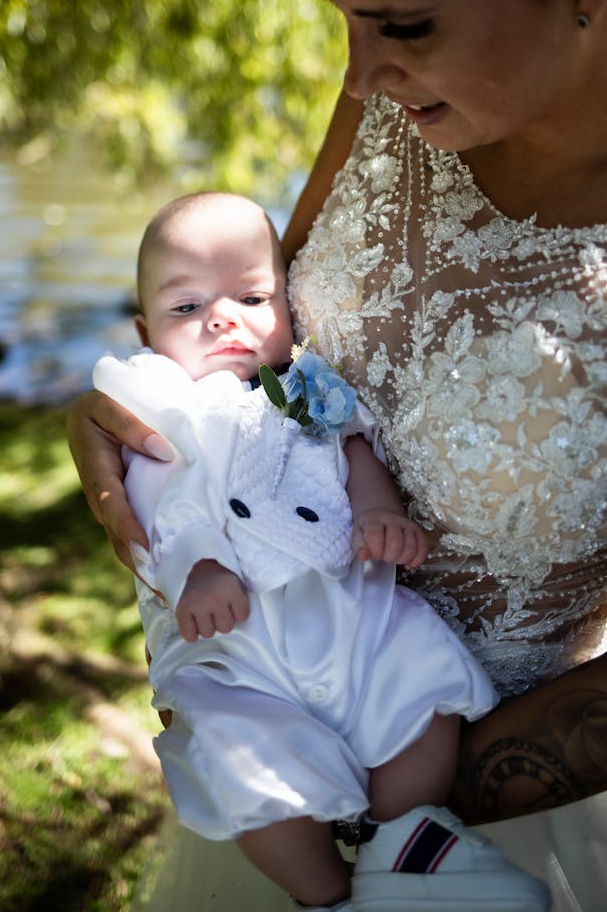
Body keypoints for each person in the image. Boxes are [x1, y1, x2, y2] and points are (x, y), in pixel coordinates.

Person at [67, 0, 607, 909]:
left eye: (401, 25)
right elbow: (281, 337)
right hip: (271, 736)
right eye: (344, 23)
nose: (358, 77)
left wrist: (400, 781)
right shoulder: (406, 104)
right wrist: (136, 409)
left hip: (496, 823)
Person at [91, 190, 548, 912]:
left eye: (250, 295)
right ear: (147, 334)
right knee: (251, 771)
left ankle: (400, 839)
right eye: (186, 308)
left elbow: (352, 450)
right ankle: (325, 894)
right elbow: (162, 506)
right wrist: (200, 566)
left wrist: (377, 511)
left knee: (420, 685)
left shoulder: (307, 388)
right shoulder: (164, 408)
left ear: (289, 309)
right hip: (238, 646)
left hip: (343, 612)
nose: (221, 317)